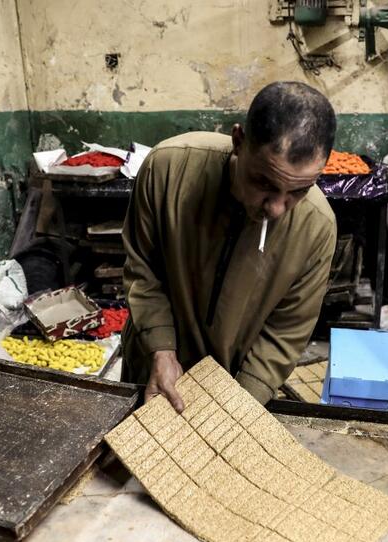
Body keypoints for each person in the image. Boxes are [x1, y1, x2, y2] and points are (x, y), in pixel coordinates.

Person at [121, 81, 337, 412]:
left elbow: (285, 332)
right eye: (264, 183)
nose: (277, 208)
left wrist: (239, 406)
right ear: (239, 142)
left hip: (236, 384)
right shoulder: (166, 170)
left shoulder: (316, 227)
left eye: (299, 191)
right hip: (153, 367)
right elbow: (143, 269)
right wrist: (161, 348)